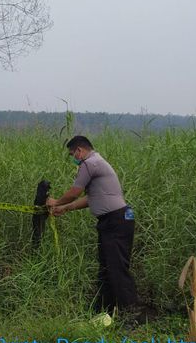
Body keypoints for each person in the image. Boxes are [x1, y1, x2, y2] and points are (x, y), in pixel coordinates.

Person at [47, 135, 139, 316]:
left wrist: (56, 202)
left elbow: (75, 192)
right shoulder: (98, 162)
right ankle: (105, 312)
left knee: (117, 268)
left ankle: (130, 316)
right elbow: (91, 198)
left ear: (80, 151)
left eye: (73, 154)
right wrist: (65, 208)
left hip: (116, 220)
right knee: (106, 268)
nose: (73, 158)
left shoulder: (89, 163)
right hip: (116, 220)